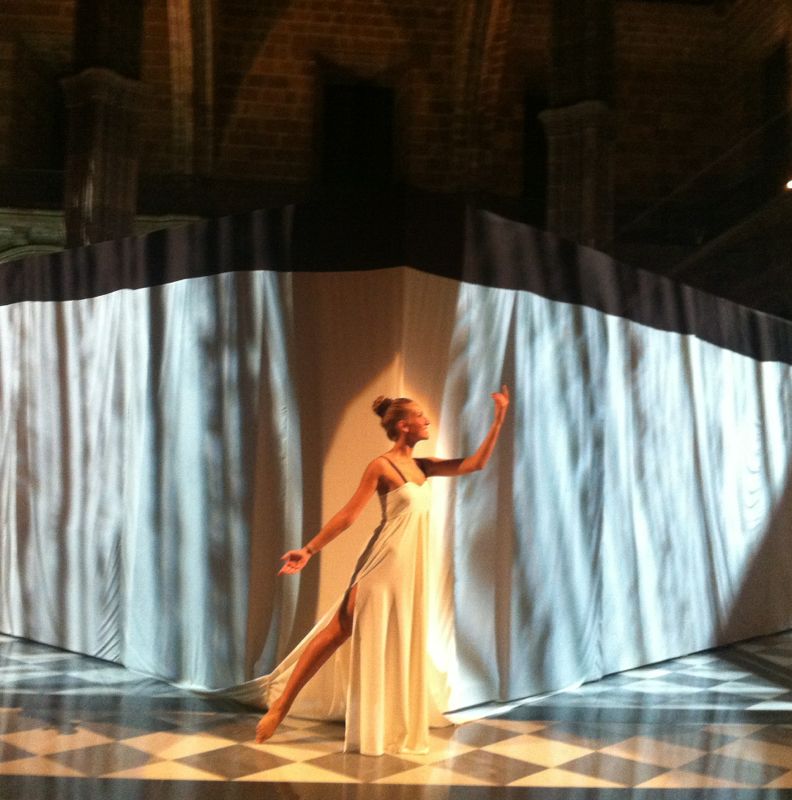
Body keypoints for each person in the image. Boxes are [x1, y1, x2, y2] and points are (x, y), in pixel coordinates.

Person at [254, 386, 510, 754]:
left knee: (391, 639)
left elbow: (475, 464)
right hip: (382, 562)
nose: (427, 421)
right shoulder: (381, 466)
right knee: (337, 631)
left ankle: (384, 723)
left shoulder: (424, 467)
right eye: (420, 416)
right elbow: (348, 515)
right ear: (404, 426)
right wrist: (308, 550)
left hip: (410, 569)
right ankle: (280, 706)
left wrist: (498, 419)